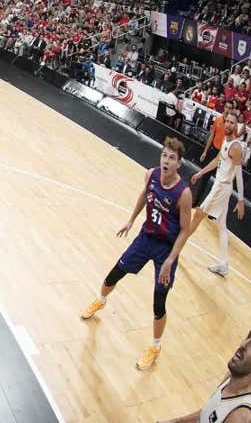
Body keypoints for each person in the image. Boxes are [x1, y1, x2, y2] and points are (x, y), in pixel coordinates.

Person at [81, 137, 194, 370]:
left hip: (166, 250)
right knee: (114, 275)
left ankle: (155, 346)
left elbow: (185, 230)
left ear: (179, 164)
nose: (166, 160)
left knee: (158, 302)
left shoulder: (183, 194)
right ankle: (101, 300)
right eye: (164, 155)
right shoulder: (151, 174)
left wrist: (170, 260)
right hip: (145, 238)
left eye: (172, 158)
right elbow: (145, 195)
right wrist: (131, 220)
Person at [156, 319, 251, 423]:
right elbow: (207, 414)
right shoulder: (231, 377)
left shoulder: (240, 416)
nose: (244, 345)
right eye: (248, 337)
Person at [191, 111, 245, 277]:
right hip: (220, 185)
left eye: (232, 122)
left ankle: (175, 246)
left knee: (198, 215)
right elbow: (217, 161)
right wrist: (201, 173)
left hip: (222, 187)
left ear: (236, 126)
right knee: (222, 226)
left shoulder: (236, 148)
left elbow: (239, 174)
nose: (228, 124)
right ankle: (224, 264)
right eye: (227, 121)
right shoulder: (225, 140)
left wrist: (241, 200)